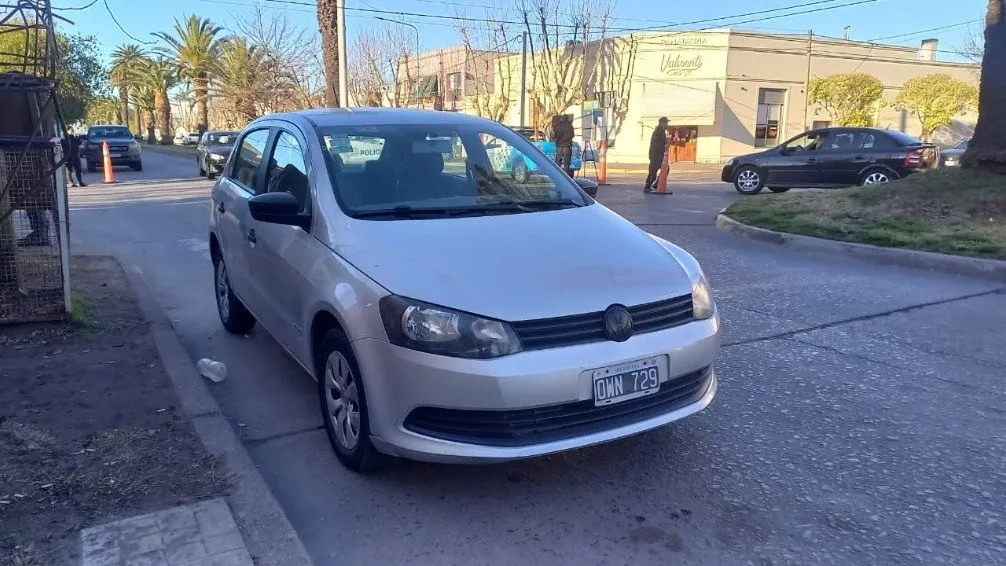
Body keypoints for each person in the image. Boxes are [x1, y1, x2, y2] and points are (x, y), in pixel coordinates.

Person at [644, 117, 671, 194]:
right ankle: (647, 186)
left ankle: (656, 184)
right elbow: (655, 144)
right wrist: (663, 146)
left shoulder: (662, 131)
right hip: (655, 155)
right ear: (661, 123)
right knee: (653, 172)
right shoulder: (657, 132)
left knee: (665, 169)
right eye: (666, 123)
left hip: (659, 155)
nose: (667, 125)